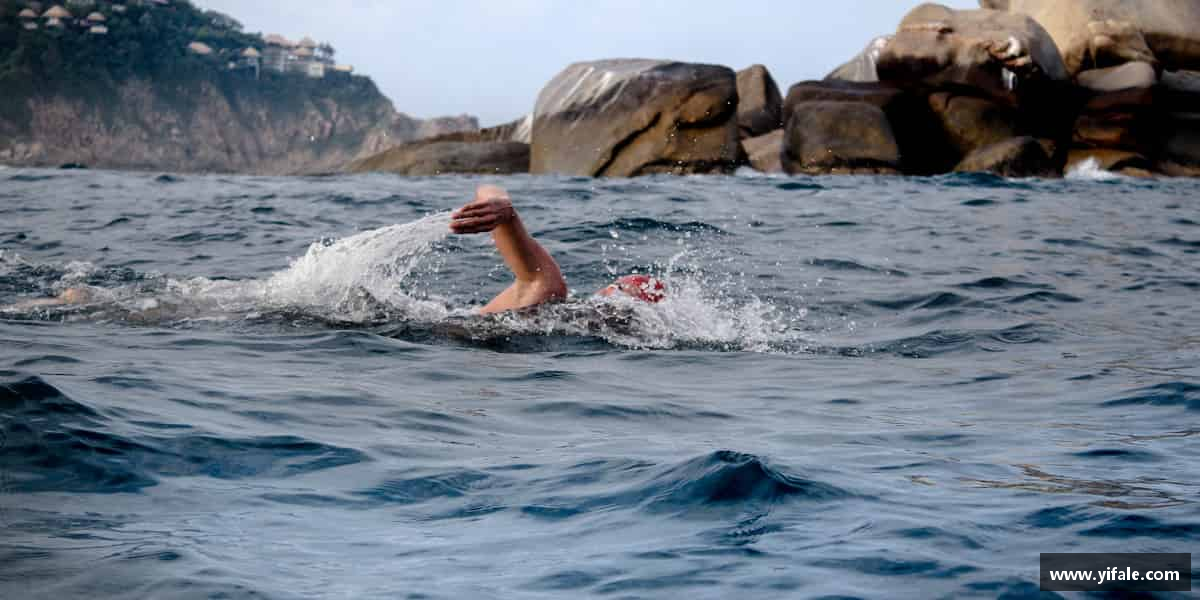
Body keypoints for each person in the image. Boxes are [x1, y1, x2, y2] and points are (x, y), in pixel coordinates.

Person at [450, 184, 665, 313]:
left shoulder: (552, 296)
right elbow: (489, 189)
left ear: (606, 291)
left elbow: (492, 192)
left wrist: (501, 208)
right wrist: (498, 205)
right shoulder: (551, 298)